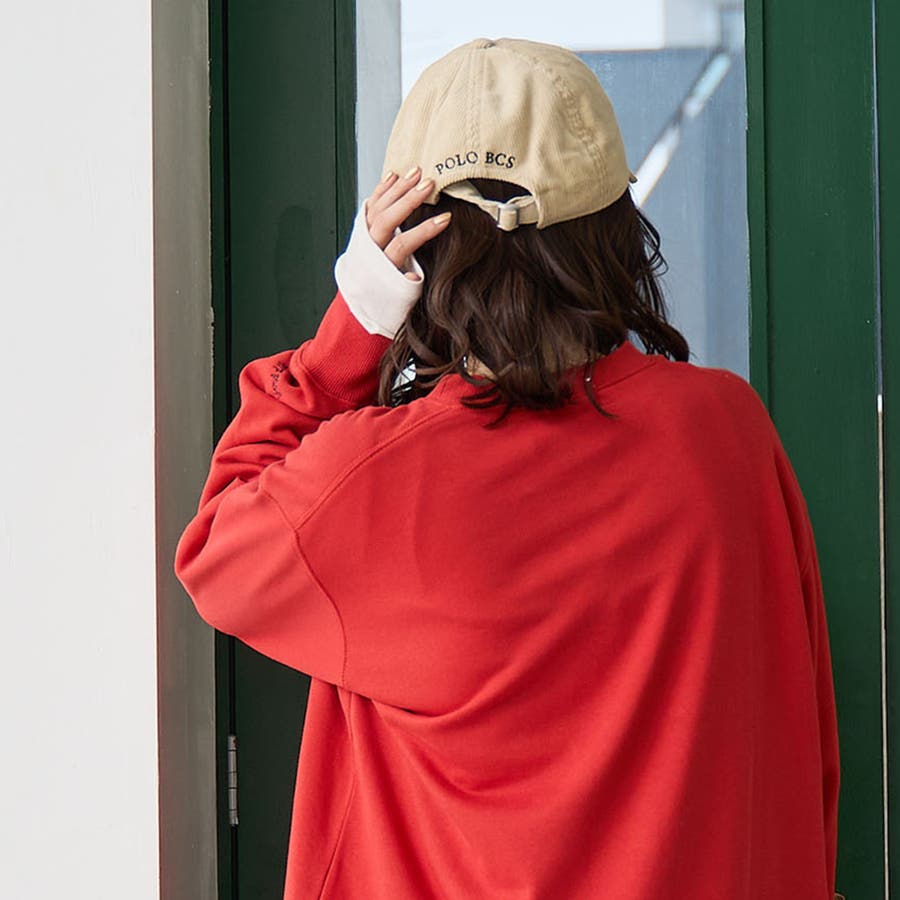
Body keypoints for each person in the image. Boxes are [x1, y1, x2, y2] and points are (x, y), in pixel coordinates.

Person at [174, 37, 841, 900]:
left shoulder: (366, 482)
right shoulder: (725, 438)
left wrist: (356, 322)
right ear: (612, 229)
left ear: (416, 250)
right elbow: (801, 733)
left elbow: (217, 548)